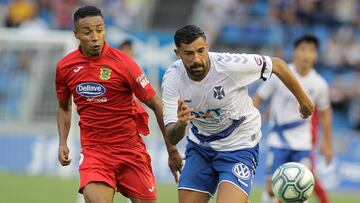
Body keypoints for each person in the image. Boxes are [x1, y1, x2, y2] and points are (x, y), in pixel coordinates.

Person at [161, 24, 314, 203]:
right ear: (177, 53)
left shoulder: (230, 65)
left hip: (239, 144)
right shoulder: (172, 78)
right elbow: (172, 136)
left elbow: (278, 65)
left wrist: (304, 101)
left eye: (201, 51)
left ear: (207, 47)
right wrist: (181, 124)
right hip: (201, 146)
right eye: (188, 53)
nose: (197, 59)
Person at [55, 6, 182, 203]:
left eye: (100, 29)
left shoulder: (124, 64)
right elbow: (64, 106)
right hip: (95, 151)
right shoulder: (65, 67)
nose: (95, 36)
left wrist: (172, 150)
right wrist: (63, 141)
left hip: (130, 150)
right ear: (76, 34)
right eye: (88, 32)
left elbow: (157, 105)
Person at [252, 35, 333, 203]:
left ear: (316, 55)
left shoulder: (319, 84)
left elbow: (325, 114)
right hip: (278, 141)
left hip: (303, 143)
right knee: (272, 188)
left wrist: (327, 143)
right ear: (295, 52)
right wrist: (249, 123)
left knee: (302, 187)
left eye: (311, 50)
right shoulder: (281, 74)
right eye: (303, 49)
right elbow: (258, 98)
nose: (306, 54)